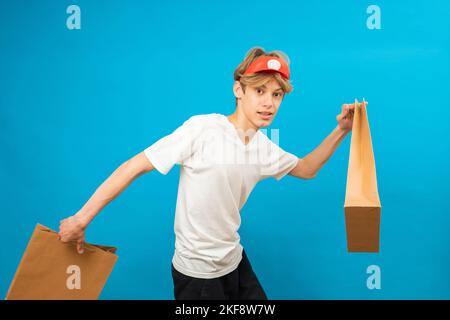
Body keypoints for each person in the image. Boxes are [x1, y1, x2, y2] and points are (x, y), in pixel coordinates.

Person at [58, 47, 357, 300]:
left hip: (234, 262)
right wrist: (82, 218)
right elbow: (134, 166)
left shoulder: (263, 146)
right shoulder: (202, 129)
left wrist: (342, 130)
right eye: (260, 91)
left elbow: (306, 169)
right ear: (238, 90)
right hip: (197, 275)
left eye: (277, 94)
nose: (269, 103)